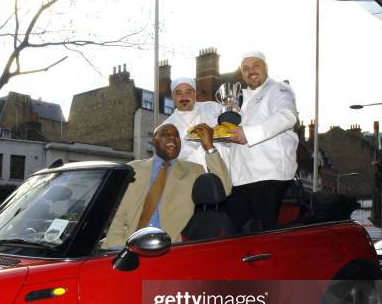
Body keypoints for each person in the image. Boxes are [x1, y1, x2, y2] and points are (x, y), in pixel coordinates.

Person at [103, 122, 231, 248]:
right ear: (153, 141)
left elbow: (223, 189)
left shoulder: (193, 170)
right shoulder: (133, 168)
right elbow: (118, 214)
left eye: (176, 136)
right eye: (165, 134)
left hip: (171, 248)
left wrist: (209, 148)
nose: (172, 138)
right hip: (131, 245)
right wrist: (117, 245)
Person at [224, 51, 298, 230]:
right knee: (241, 237)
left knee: (263, 238)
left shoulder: (278, 89)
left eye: (256, 65)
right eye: (246, 69)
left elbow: (287, 116)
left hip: (268, 177)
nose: (251, 71)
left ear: (266, 67)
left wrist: (247, 134)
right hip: (240, 180)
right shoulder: (240, 99)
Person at [163, 76, 231, 170]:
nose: (184, 97)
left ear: (195, 94)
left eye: (188, 92)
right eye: (178, 93)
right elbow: (170, 157)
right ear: (173, 96)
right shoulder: (166, 126)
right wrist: (193, 140)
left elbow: (232, 133)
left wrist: (232, 110)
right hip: (191, 178)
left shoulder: (213, 107)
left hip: (224, 171)